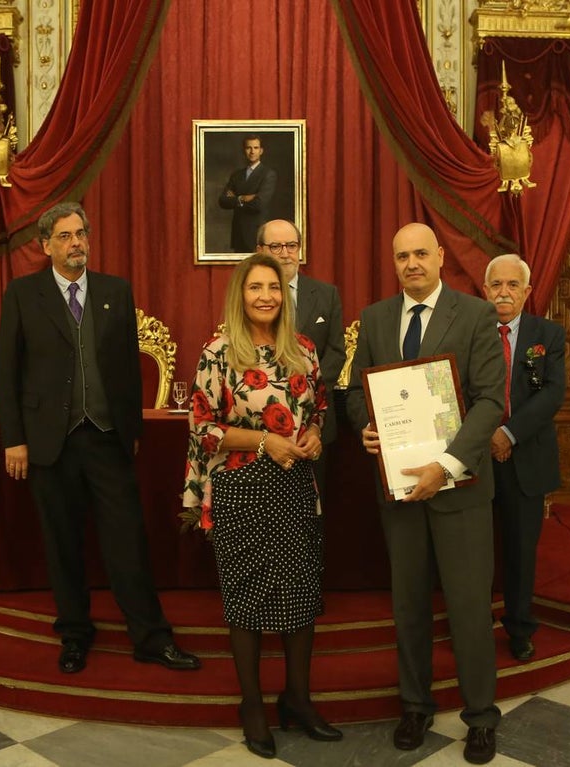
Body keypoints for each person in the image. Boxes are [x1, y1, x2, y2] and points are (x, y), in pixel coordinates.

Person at [0, 202, 200, 675]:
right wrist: (15, 439)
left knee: (127, 540)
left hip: (107, 439)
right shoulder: (23, 295)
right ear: (46, 245)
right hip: (50, 442)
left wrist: (129, 430)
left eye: (81, 233)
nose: (76, 243)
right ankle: (74, 633)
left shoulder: (115, 291)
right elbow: (7, 372)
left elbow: (127, 369)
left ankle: (150, 636)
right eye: (65, 236)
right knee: (63, 543)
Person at [345, 223, 506, 765]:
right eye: (401, 256)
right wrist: (365, 424)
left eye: (420, 253)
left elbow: (490, 402)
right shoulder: (374, 318)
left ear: (440, 257)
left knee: (466, 607)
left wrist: (447, 463)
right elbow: (354, 392)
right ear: (393, 263)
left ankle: (481, 716)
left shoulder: (478, 314)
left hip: (458, 488)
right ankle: (414, 706)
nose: (412, 263)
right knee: (408, 605)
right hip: (399, 491)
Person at [182, 253, 341, 759]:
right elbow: (202, 427)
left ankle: (297, 698)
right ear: (240, 294)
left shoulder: (304, 349)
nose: (266, 295)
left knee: (300, 597)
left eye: (273, 285)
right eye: (255, 287)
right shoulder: (219, 351)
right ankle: (252, 705)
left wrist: (313, 434)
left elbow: (317, 407)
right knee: (248, 602)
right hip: (241, 487)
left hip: (295, 487)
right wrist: (262, 442)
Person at [483, 254, 566, 663]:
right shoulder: (471, 332)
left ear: (527, 292)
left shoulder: (547, 335)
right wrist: (488, 435)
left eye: (512, 285)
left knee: (520, 551)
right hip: (478, 459)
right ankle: (476, 625)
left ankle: (519, 628)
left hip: (525, 459)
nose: (503, 292)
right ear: (485, 291)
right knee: (476, 550)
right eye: (496, 284)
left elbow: (552, 394)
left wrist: (509, 433)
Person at [256, 219, 345, 492]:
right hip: (263, 423)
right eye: (276, 246)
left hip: (314, 425)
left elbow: (336, 352)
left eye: (291, 245)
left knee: (313, 508)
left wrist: (304, 394)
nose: (285, 253)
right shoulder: (250, 298)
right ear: (260, 251)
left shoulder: (326, 294)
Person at [218, 135, 277, 252]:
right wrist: (243, 198)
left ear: (261, 151)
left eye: (255, 148)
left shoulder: (268, 174)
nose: (252, 151)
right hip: (238, 233)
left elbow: (258, 204)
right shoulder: (236, 175)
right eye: (248, 148)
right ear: (244, 150)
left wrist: (235, 199)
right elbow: (223, 201)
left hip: (256, 233)